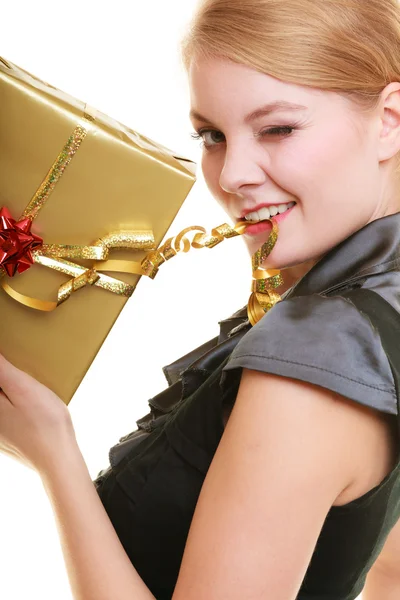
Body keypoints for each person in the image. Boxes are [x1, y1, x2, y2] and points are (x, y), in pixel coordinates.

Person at [2, 0, 400, 598]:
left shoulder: (313, 363)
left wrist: (52, 454)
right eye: (211, 135)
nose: (231, 173)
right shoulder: (361, 304)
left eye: (278, 128)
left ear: (390, 118)